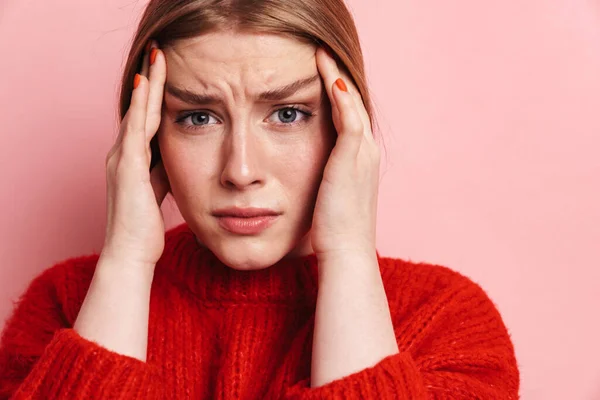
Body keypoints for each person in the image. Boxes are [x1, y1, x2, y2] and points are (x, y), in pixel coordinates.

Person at [0, 0, 520, 398]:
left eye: (289, 114)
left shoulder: (446, 322)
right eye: (198, 117)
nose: (241, 171)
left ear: (346, 126)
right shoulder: (66, 308)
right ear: (150, 133)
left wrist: (348, 255)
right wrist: (125, 263)